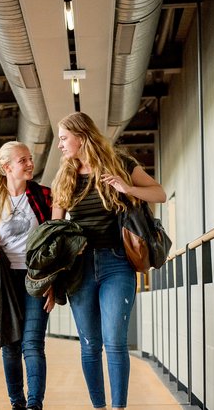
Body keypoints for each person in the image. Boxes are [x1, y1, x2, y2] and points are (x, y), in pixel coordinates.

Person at [51, 112, 166, 410]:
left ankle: (119, 408)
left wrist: (127, 189)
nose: (60, 145)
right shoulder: (65, 175)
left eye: (64, 138)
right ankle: (99, 407)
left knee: (115, 341)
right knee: (90, 344)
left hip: (117, 262)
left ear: (81, 136)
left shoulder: (121, 164)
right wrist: (52, 277)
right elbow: (55, 230)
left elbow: (159, 193)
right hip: (79, 267)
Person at [0, 141, 54, 410]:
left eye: (30, 159)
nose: (30, 163)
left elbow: (55, 242)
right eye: (23, 160)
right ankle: (17, 403)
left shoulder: (44, 195)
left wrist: (52, 283)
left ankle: (35, 404)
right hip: (4, 280)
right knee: (10, 345)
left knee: (33, 343)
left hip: (36, 278)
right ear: (6, 167)